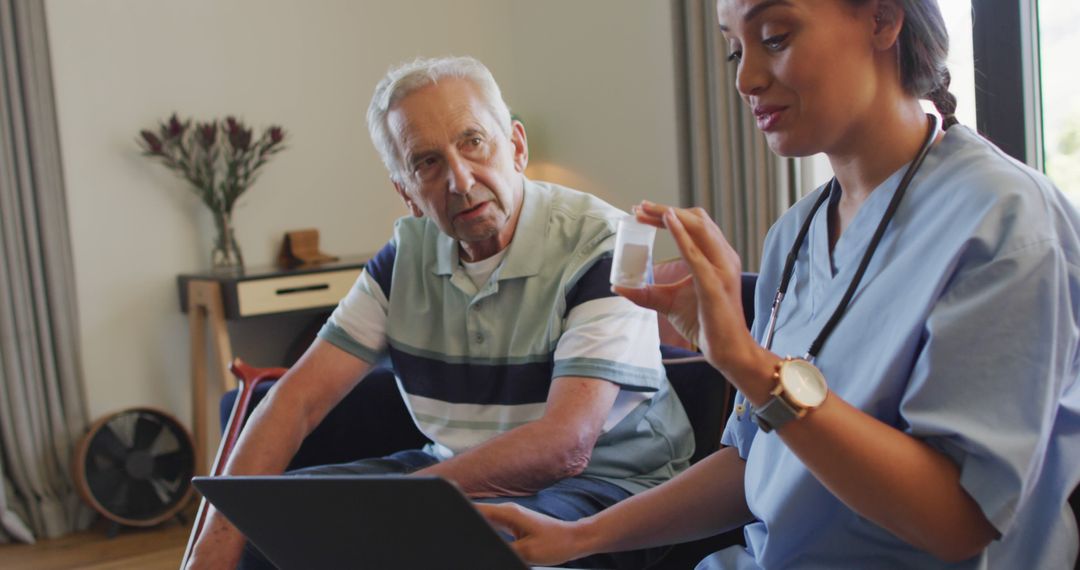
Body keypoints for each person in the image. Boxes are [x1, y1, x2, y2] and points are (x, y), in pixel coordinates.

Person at [478, 0, 1080, 568]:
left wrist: (747, 363)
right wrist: (578, 537)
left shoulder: (1004, 222)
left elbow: (960, 521)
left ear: (882, 20)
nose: (747, 80)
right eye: (736, 52)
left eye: (775, 38)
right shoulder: (798, 230)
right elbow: (758, 459)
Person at [184, 56, 693, 570]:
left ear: (516, 146)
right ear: (406, 192)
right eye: (426, 162)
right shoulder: (403, 258)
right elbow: (296, 402)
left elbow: (566, 446)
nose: (459, 179)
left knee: (441, 552)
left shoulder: (602, 245)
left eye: (473, 142)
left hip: (607, 486)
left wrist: (395, 507)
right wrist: (217, 539)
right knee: (269, 525)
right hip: (454, 476)